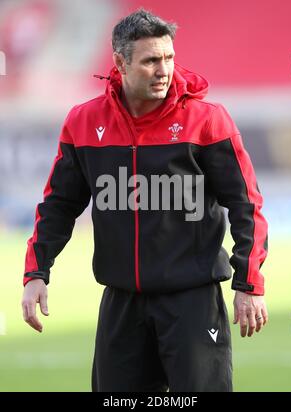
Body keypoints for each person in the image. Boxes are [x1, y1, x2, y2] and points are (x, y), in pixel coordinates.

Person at [21, 9, 268, 392]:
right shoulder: (83, 122)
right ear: (120, 63)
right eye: (151, 60)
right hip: (121, 304)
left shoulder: (208, 120)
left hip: (193, 302)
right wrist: (37, 273)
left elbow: (246, 205)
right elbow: (58, 205)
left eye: (169, 58)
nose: (164, 70)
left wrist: (249, 284)